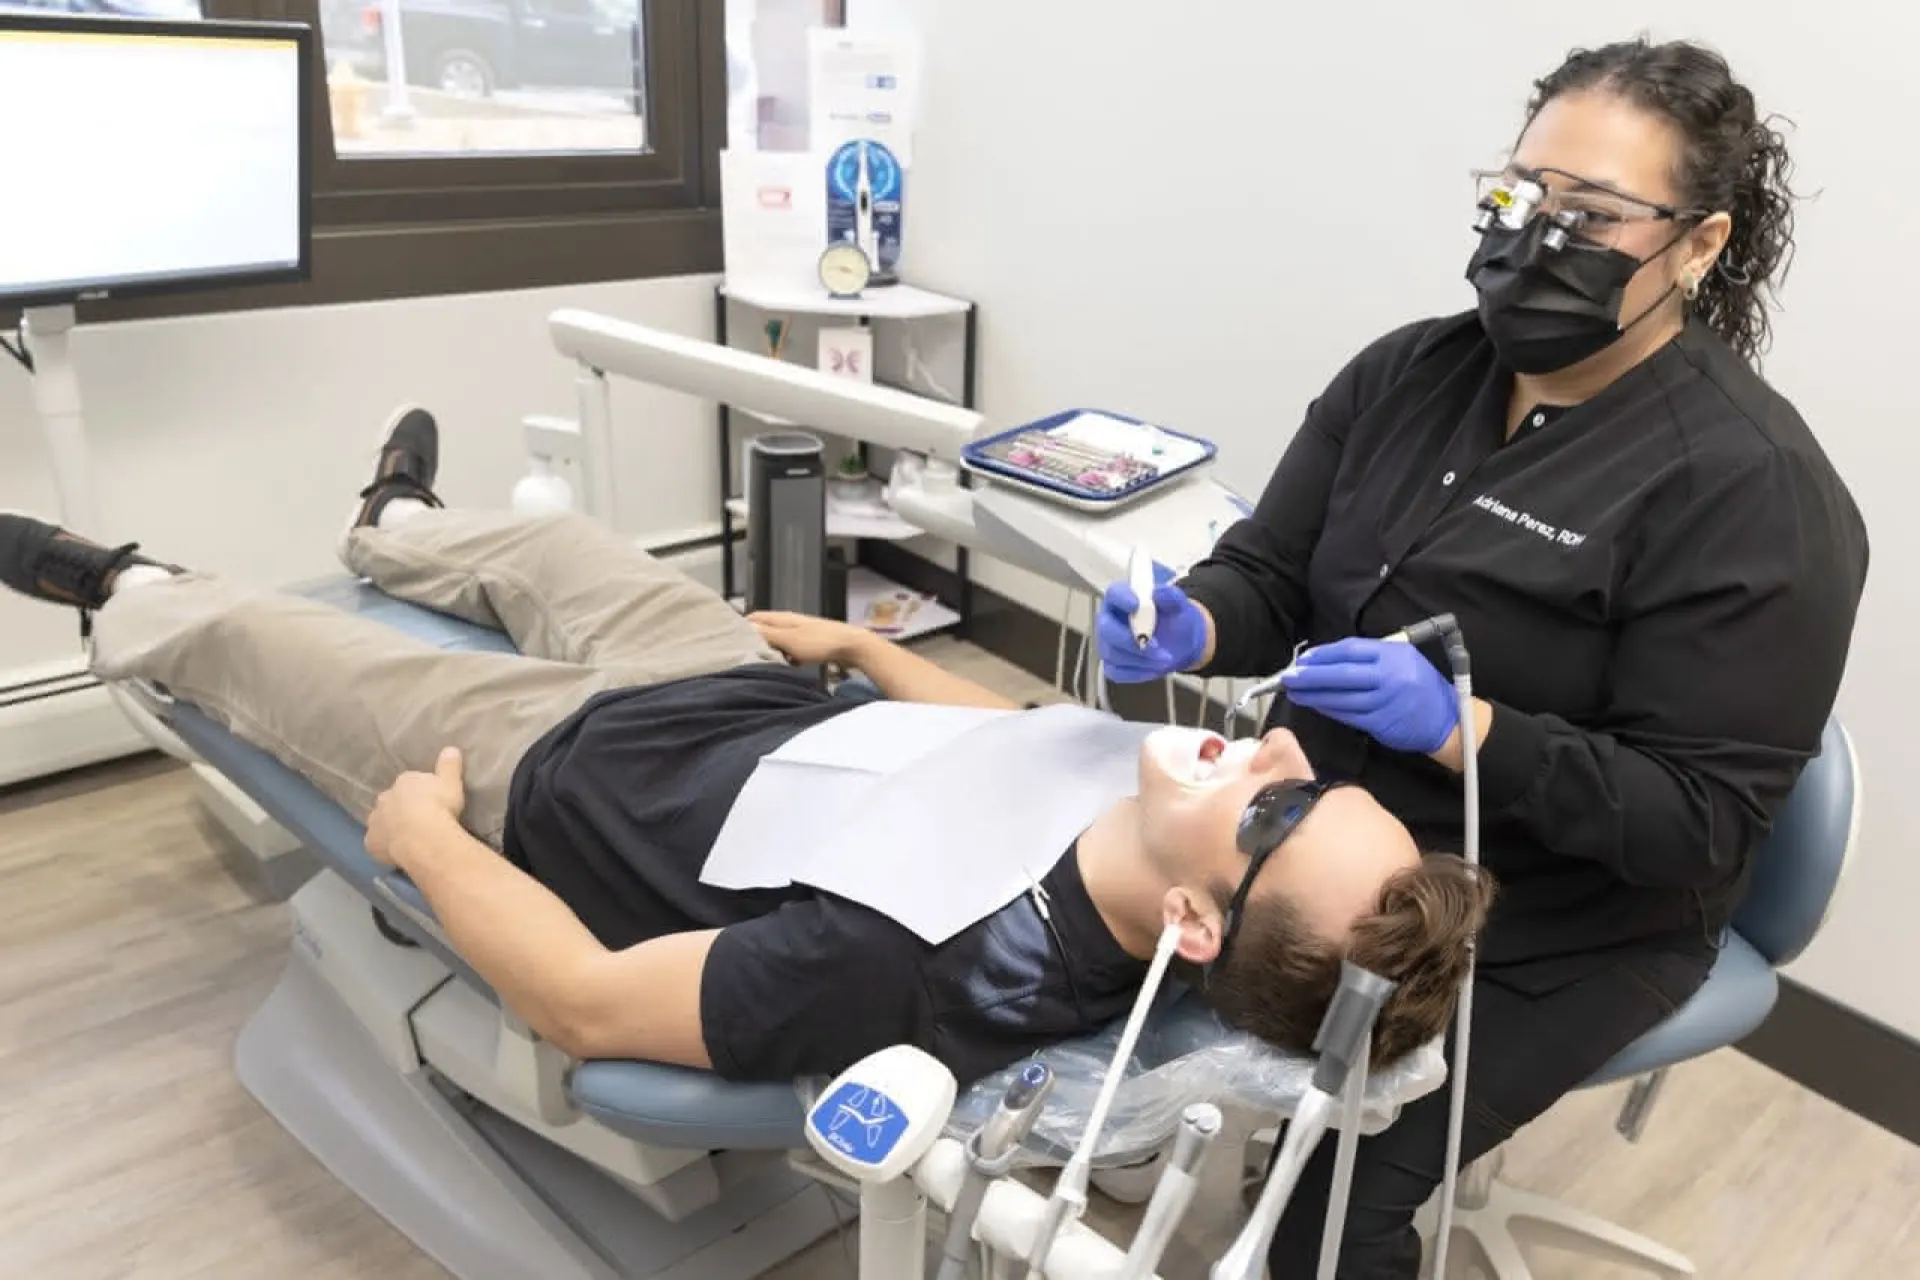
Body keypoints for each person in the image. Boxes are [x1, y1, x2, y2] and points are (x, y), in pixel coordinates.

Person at [0, 408, 1491, 1092]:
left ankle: (116, 584)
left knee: (273, 645)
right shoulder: (1146, 792)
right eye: (1315, 771)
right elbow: (1013, 738)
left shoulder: (902, 970)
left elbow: (584, 1003)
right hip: (733, 695)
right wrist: (859, 651)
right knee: (564, 543)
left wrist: (429, 845)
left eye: (1277, 820)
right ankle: (394, 527)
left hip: (561, 772)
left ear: (1190, 919)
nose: (1275, 757)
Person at [1096, 36, 1868, 1278]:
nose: (1537, 237)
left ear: (1701, 245)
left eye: (1594, 214)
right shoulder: (1412, 371)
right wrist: (1195, 616)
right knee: (1060, 954)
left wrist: (1468, 731)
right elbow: (1276, 573)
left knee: (1327, 1224)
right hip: (1324, 831)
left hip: (1555, 910)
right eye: (1519, 195)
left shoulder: (1755, 491)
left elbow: (1695, 823)